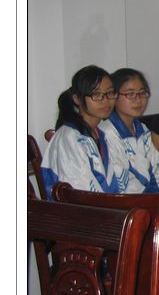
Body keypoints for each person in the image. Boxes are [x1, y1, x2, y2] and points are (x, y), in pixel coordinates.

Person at [41, 65, 127, 198]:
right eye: (96, 94)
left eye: (110, 93)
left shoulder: (102, 132)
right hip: (77, 209)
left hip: (105, 205)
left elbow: (121, 177)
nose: (106, 100)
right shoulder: (69, 137)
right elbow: (80, 191)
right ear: (77, 99)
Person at [100, 68, 159, 193]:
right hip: (128, 200)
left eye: (142, 93)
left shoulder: (142, 129)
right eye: (130, 94)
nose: (138, 100)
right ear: (114, 96)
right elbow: (122, 180)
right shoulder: (107, 132)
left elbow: (157, 168)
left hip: (152, 196)